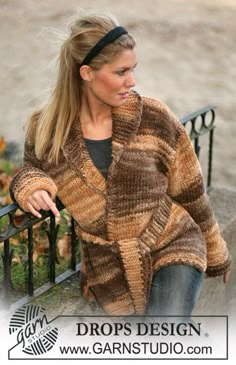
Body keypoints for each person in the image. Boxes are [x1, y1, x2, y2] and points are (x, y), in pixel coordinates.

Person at [10, 13, 231, 318]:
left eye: (132, 70)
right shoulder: (47, 129)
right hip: (108, 272)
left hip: (173, 243)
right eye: (121, 72)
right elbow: (30, 171)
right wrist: (31, 187)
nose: (132, 81)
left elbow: (191, 191)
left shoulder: (154, 117)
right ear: (86, 73)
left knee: (163, 332)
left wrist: (217, 253)